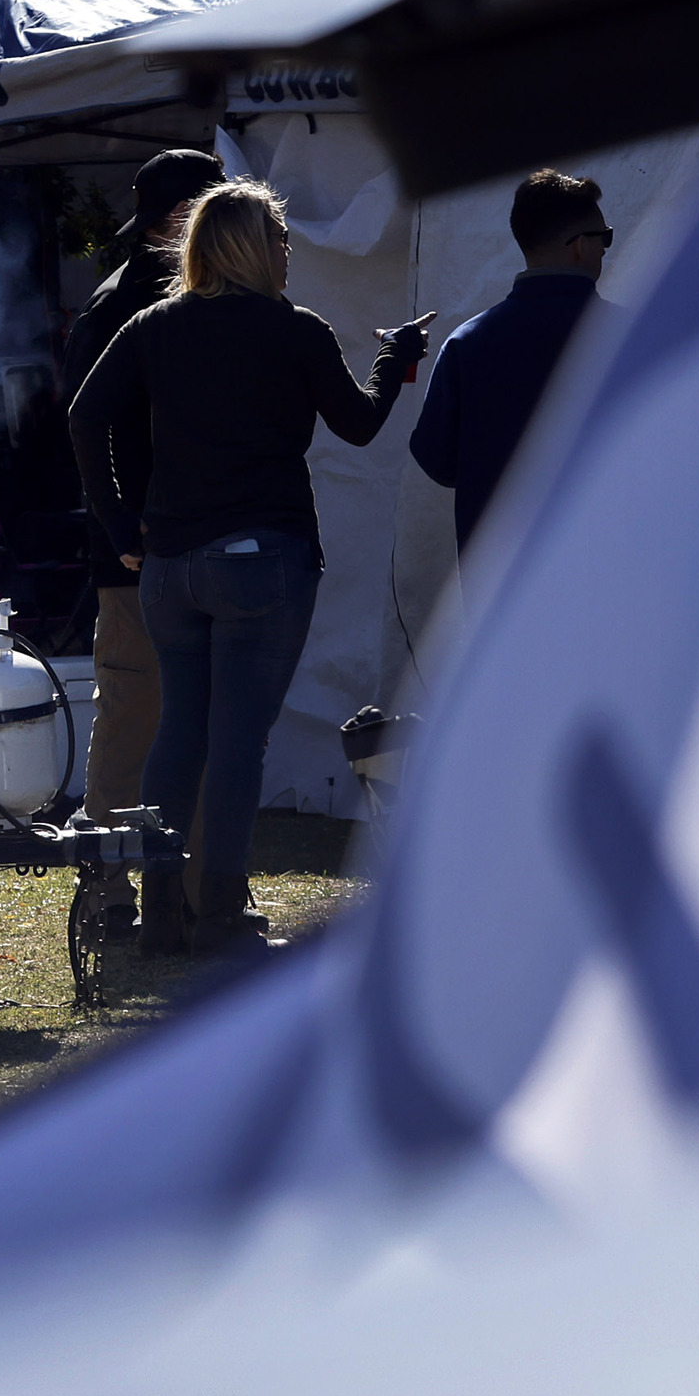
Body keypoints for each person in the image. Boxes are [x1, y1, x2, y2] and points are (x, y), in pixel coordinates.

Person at [66, 182, 430, 952]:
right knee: (237, 743)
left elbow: (84, 414)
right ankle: (221, 913)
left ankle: (163, 909)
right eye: (281, 237)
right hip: (261, 560)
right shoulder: (294, 330)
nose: (288, 250)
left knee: (179, 735)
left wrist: (119, 519)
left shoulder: (154, 324)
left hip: (170, 563)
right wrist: (397, 356)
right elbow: (359, 425)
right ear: (252, 247)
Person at [62, 147, 224, 828]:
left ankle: (189, 889)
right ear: (183, 217)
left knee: (186, 718)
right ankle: (108, 885)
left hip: (180, 545)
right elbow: (85, 424)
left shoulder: (180, 300)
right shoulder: (121, 306)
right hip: (136, 556)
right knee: (135, 717)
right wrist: (120, 525)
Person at [410, 169, 618, 546]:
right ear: (580, 246)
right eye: (604, 237)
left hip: (498, 579)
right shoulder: (632, 334)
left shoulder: (466, 343)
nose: (605, 248)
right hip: (610, 569)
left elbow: (435, 459)